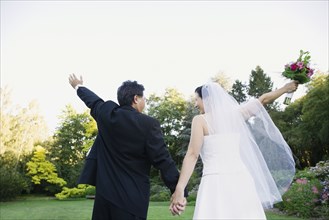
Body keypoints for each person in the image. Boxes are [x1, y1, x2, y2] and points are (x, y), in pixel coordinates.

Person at [169, 80, 299, 219]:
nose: (195, 104)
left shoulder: (200, 120)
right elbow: (263, 100)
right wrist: (285, 88)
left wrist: (180, 188)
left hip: (215, 182)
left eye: (197, 99)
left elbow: (192, 154)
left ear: (207, 99)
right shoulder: (236, 116)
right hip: (241, 179)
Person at [68, 74, 187, 220]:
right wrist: (178, 190)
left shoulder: (107, 114)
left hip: (104, 200)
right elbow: (163, 160)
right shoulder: (148, 124)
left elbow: (93, 101)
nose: (145, 102)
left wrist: (78, 86)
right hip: (131, 202)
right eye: (144, 98)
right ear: (136, 98)